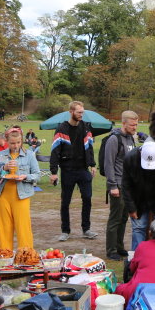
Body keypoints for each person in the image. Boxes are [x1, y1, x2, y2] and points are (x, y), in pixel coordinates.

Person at [49, 101, 98, 242]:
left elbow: (89, 148)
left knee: (87, 198)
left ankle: (86, 229)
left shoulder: (85, 127)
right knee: (65, 202)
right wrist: (53, 172)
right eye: (79, 112)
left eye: (82, 112)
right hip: (67, 170)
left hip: (83, 170)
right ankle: (65, 230)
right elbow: (55, 151)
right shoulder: (61, 129)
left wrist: (93, 165)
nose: (81, 115)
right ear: (71, 112)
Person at [0, 128, 40, 251]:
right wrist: (4, 168)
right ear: (7, 141)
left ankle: (26, 255)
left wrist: (25, 177)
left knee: (23, 227)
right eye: (12, 143)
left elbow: (37, 175)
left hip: (21, 196)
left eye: (18, 142)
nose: (16, 145)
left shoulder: (29, 155)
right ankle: (4, 255)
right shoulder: (1, 155)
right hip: (3, 196)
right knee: (3, 227)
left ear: (21, 141)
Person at [121, 141, 155, 251]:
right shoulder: (130, 158)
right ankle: (137, 261)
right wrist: (131, 208)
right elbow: (126, 185)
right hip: (138, 198)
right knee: (138, 228)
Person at [104, 110, 139, 261]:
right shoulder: (114, 139)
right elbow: (109, 164)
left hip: (128, 186)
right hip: (117, 184)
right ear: (124, 123)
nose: (135, 127)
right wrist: (112, 185)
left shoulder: (131, 139)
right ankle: (111, 250)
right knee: (115, 219)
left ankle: (119, 246)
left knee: (124, 218)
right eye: (132, 125)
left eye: (136, 124)